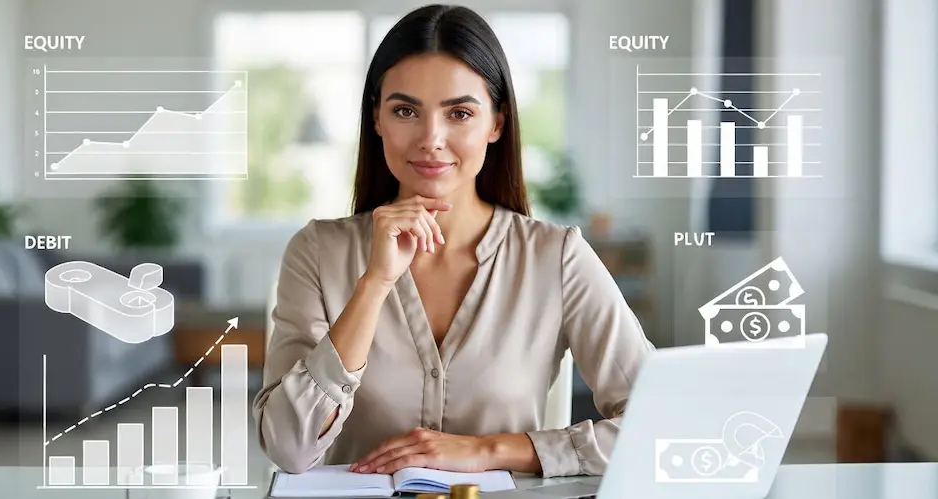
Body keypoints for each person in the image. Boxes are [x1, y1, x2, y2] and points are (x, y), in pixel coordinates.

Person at [252, 4, 654, 478]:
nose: (431, 139)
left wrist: (492, 451)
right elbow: (288, 448)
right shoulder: (318, 252)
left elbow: (661, 426)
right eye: (405, 111)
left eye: (459, 113)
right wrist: (375, 284)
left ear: (497, 123)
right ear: (377, 119)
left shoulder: (557, 257)